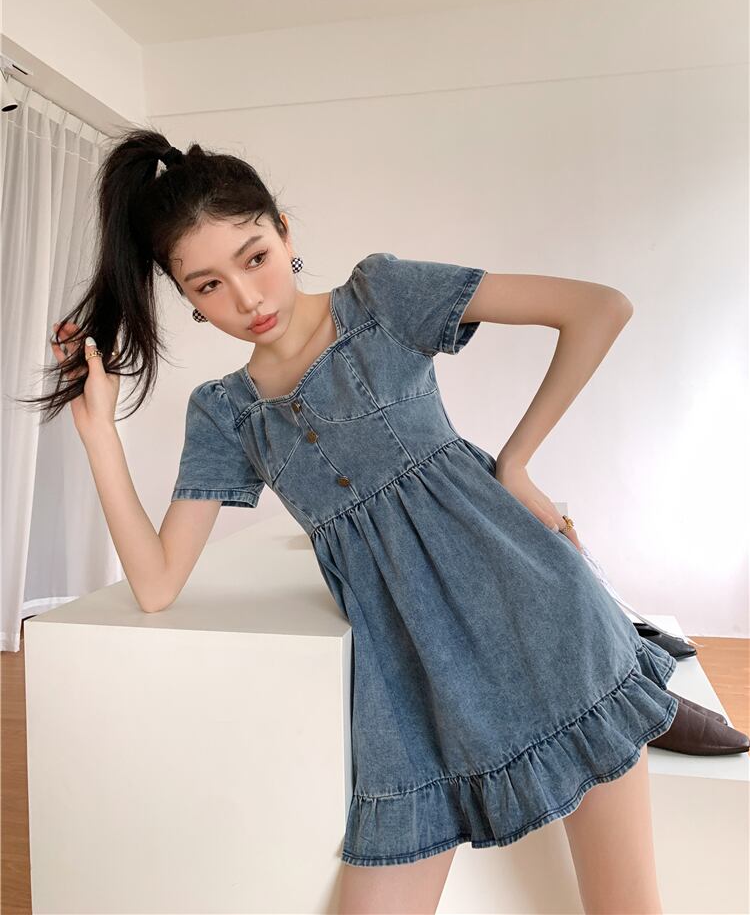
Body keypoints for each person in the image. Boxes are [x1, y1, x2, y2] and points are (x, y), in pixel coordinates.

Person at [28, 127, 679, 914]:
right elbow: (157, 584)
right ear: (185, 297)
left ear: (285, 233)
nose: (247, 300)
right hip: (406, 691)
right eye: (208, 285)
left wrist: (515, 463)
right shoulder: (228, 413)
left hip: (544, 623)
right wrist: (98, 431)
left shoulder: (382, 297)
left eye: (255, 257)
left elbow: (599, 309)